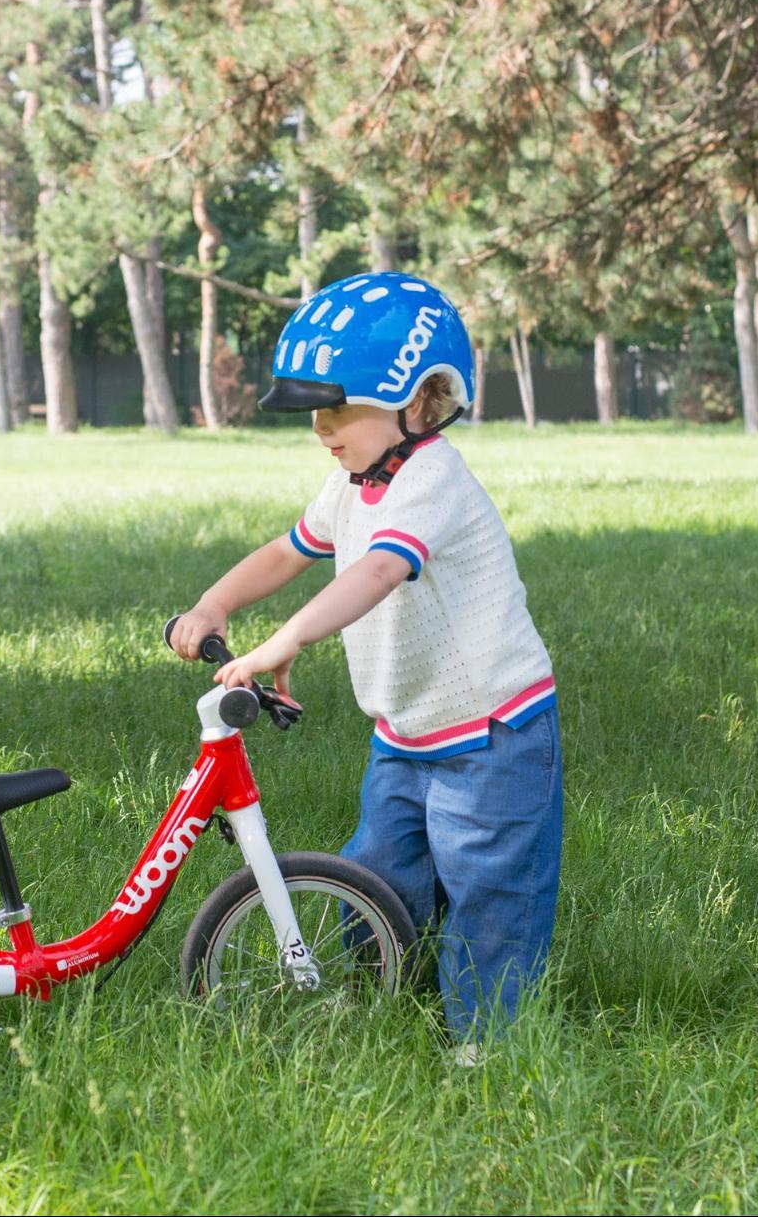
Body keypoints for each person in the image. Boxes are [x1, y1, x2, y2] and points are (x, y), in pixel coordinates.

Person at [167, 271, 561, 1047]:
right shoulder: (350, 481)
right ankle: (384, 1002)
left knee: (489, 897)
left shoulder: (432, 478)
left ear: (419, 401)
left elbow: (379, 569)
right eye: (315, 410)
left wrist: (286, 640)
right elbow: (290, 550)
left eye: (340, 407)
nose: (321, 425)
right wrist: (216, 604)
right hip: (405, 735)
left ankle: (487, 1049)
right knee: (374, 881)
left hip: (492, 737)